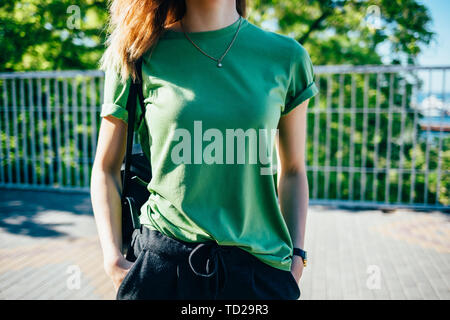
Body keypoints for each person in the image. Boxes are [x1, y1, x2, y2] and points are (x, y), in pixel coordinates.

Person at [90, 0, 318, 300]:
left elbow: (293, 170)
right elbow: (106, 168)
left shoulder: (287, 57)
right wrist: (112, 259)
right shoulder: (136, 54)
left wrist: (297, 258)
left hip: (259, 272)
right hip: (162, 265)